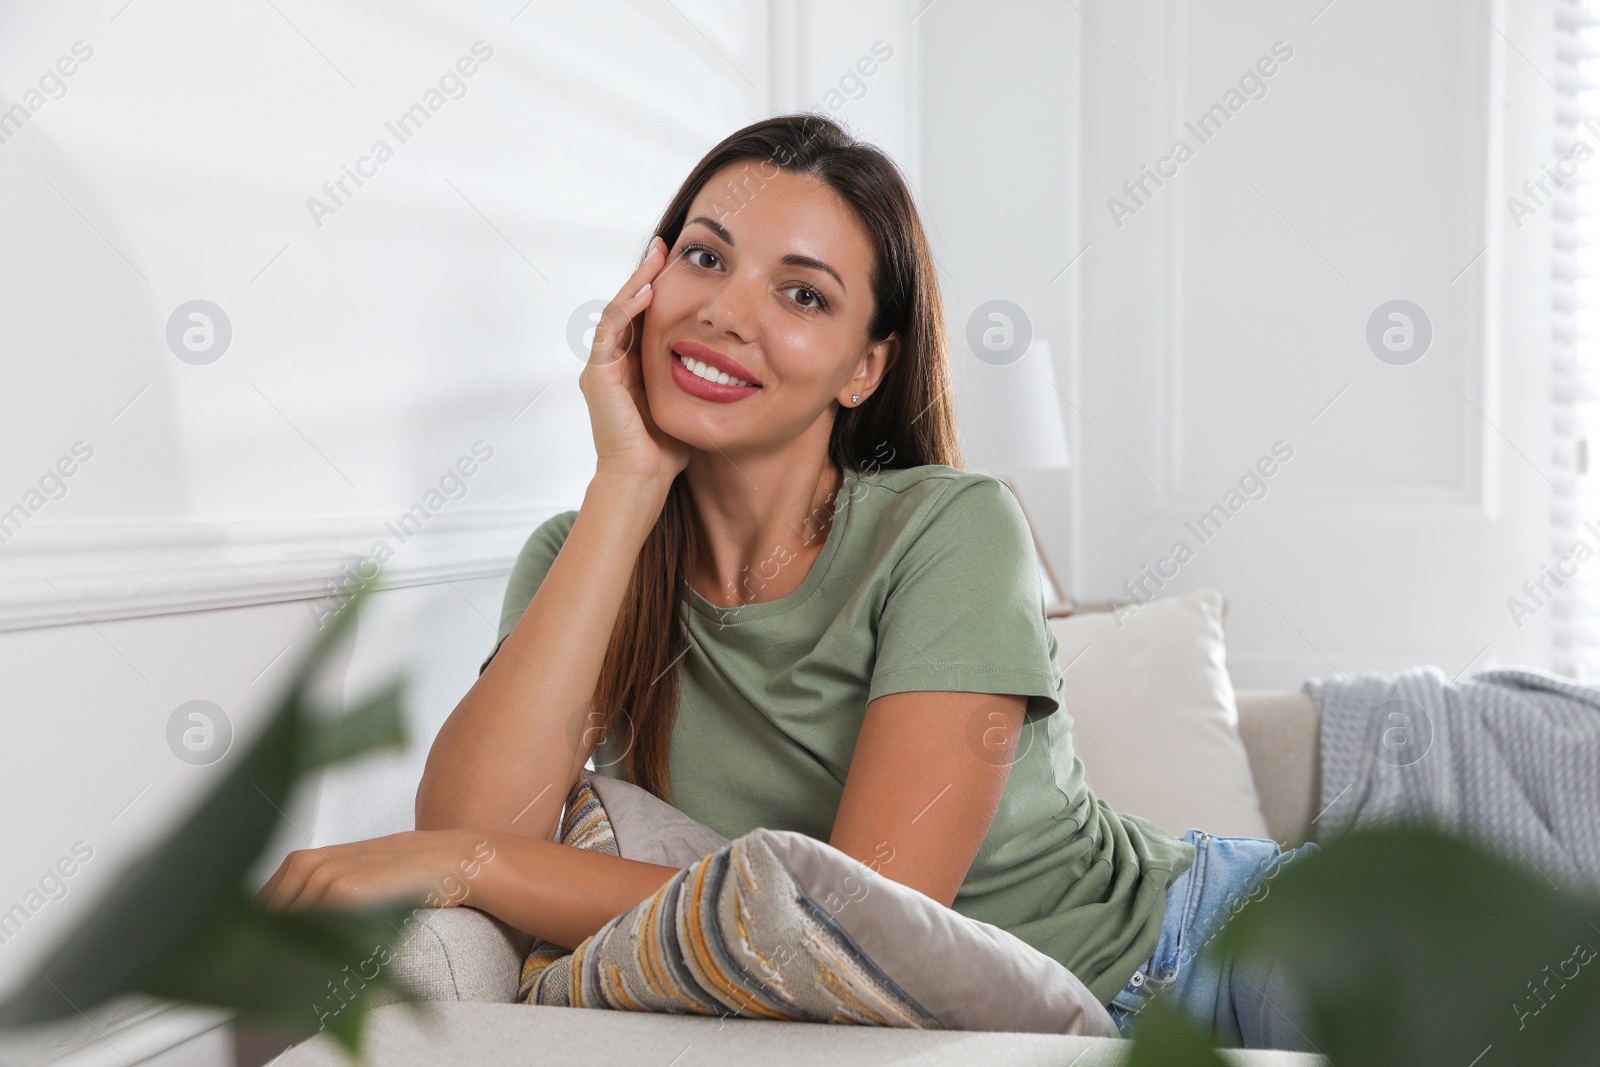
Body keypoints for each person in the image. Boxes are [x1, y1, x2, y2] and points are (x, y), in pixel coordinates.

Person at [254, 112, 1318, 1052]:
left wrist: (476, 860)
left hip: (1210, 944)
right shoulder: (579, 556)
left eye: (801, 293)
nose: (725, 312)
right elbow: (476, 814)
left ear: (864, 367)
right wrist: (624, 483)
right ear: (647, 282)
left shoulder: (950, 526)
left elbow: (864, 918)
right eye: (705, 259)